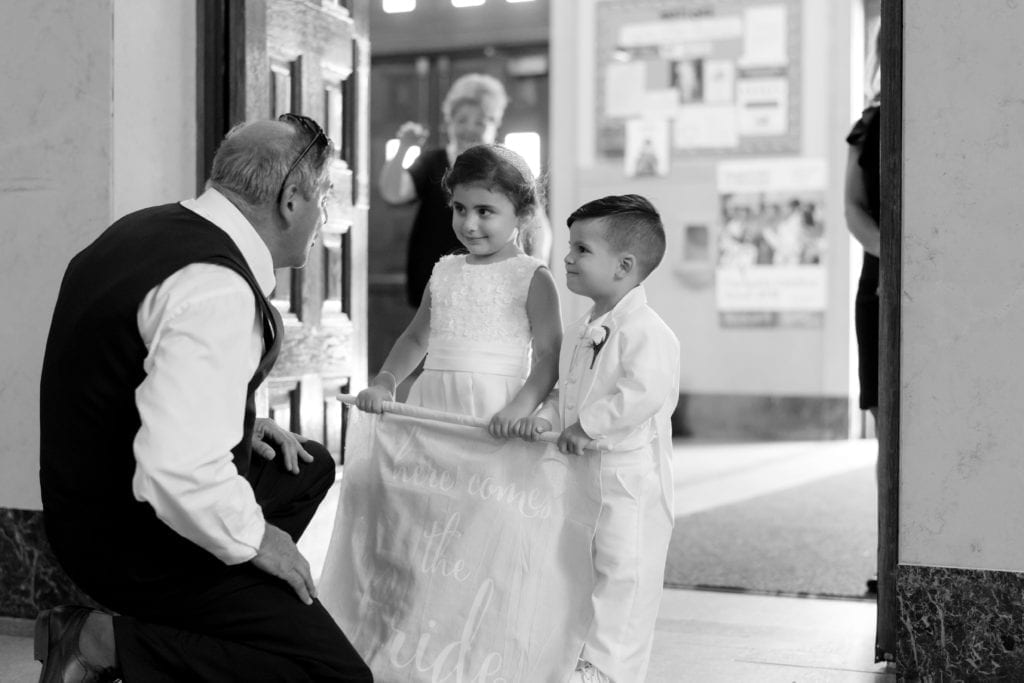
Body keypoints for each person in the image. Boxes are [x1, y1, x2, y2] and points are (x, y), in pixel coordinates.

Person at [36, 115, 372, 681]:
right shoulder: (214, 286)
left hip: (83, 507)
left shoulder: (141, 231)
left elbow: (129, 378)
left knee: (306, 468)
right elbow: (177, 468)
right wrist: (259, 540)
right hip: (130, 538)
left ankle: (204, 622)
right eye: (325, 196)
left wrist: (237, 422)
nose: (325, 216)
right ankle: (100, 641)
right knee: (333, 674)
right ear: (292, 199)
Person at [517, 194, 680, 683]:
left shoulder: (648, 332)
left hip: (630, 482)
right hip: (583, 475)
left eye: (582, 249)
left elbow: (645, 393)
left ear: (624, 266)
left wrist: (588, 426)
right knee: (581, 571)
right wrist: (546, 418)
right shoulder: (579, 329)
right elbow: (566, 392)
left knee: (624, 576)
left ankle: (610, 671)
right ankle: (579, 660)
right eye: (570, 246)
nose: (567, 257)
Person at [357, 142, 561, 431]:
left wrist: (520, 408)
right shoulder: (444, 270)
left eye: (484, 211)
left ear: (524, 215)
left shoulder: (532, 276)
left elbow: (551, 354)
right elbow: (416, 338)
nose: (468, 223)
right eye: (460, 209)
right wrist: (385, 382)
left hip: (497, 411)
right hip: (433, 404)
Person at [378, 72, 551, 308]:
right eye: (461, 120)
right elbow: (393, 192)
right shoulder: (433, 161)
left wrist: (534, 274)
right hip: (434, 282)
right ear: (449, 123)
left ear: (494, 124)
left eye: (480, 121)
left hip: (493, 285)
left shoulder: (509, 166)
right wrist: (404, 149)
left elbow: (538, 226)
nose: (470, 128)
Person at [844, 28, 882, 596]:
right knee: (889, 434)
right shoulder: (869, 125)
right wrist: (896, 257)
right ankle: (891, 560)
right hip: (880, 281)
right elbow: (852, 208)